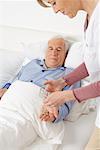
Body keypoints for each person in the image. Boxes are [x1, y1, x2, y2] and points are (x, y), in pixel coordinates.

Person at [37, 0, 100, 148]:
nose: (55, 10)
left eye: (53, 2)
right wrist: (63, 82)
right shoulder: (91, 18)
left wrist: (66, 96)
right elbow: (95, 62)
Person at [0, 37, 80, 123]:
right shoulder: (33, 63)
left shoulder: (70, 75)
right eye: (51, 48)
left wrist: (54, 115)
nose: (54, 53)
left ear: (66, 54)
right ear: (46, 51)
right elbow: (14, 80)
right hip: (8, 102)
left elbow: (67, 104)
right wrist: (5, 88)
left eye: (59, 50)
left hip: (32, 113)